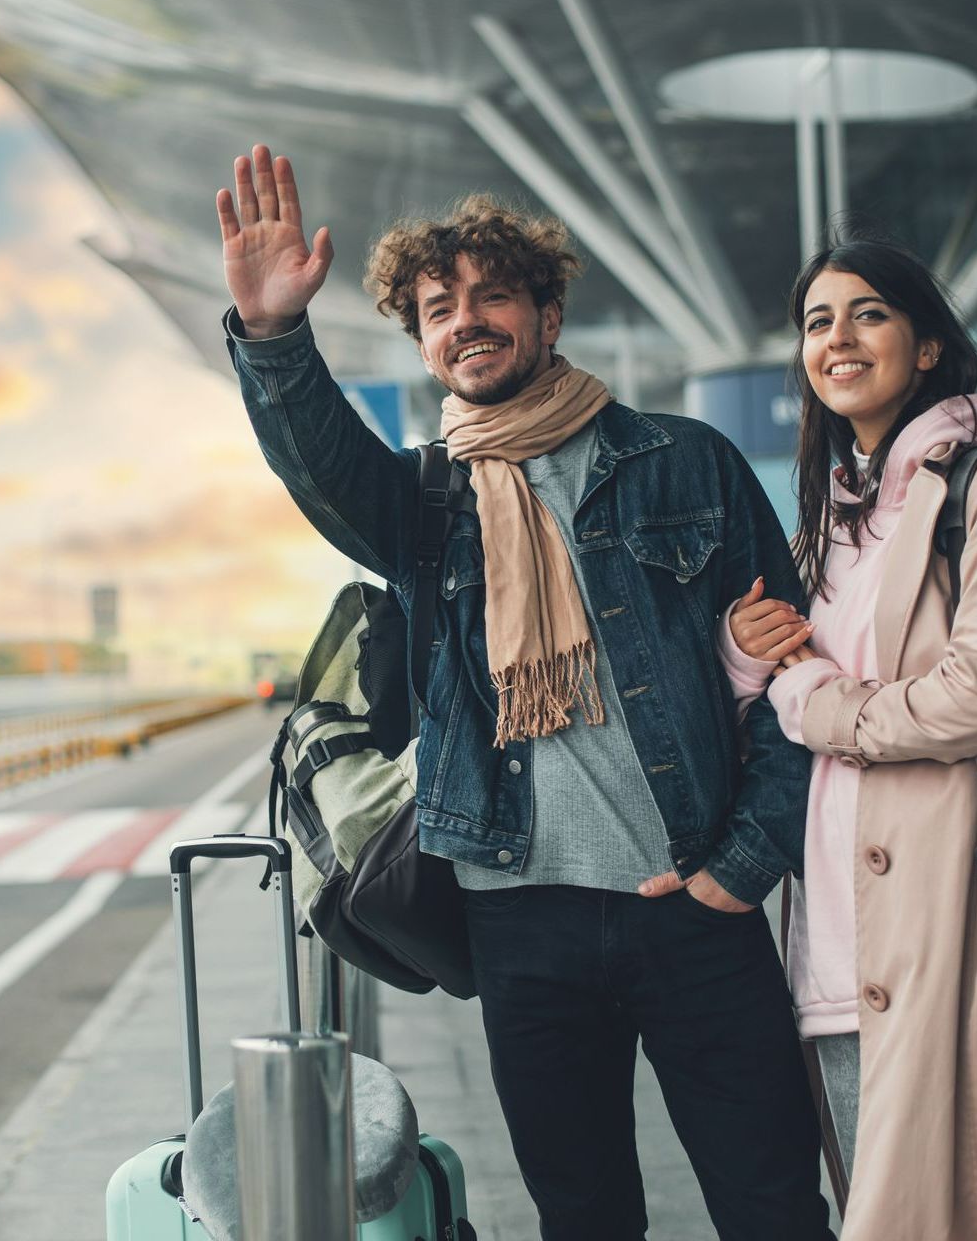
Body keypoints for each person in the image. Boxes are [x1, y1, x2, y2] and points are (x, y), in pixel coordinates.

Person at [216, 144, 832, 1241]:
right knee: (583, 1215)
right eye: (437, 306)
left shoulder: (685, 464)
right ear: (421, 339)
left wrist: (741, 868)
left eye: (492, 293)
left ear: (547, 313)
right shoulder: (423, 502)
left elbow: (797, 685)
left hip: (691, 902)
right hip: (520, 921)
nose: (465, 318)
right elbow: (319, 468)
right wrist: (274, 336)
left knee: (773, 1202)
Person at [712, 237, 977, 1240]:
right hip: (837, 927)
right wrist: (748, 660)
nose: (835, 338)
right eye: (814, 321)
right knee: (881, 1201)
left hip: (952, 904)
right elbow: (782, 690)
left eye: (866, 313)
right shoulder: (830, 517)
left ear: (925, 344)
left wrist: (811, 700)